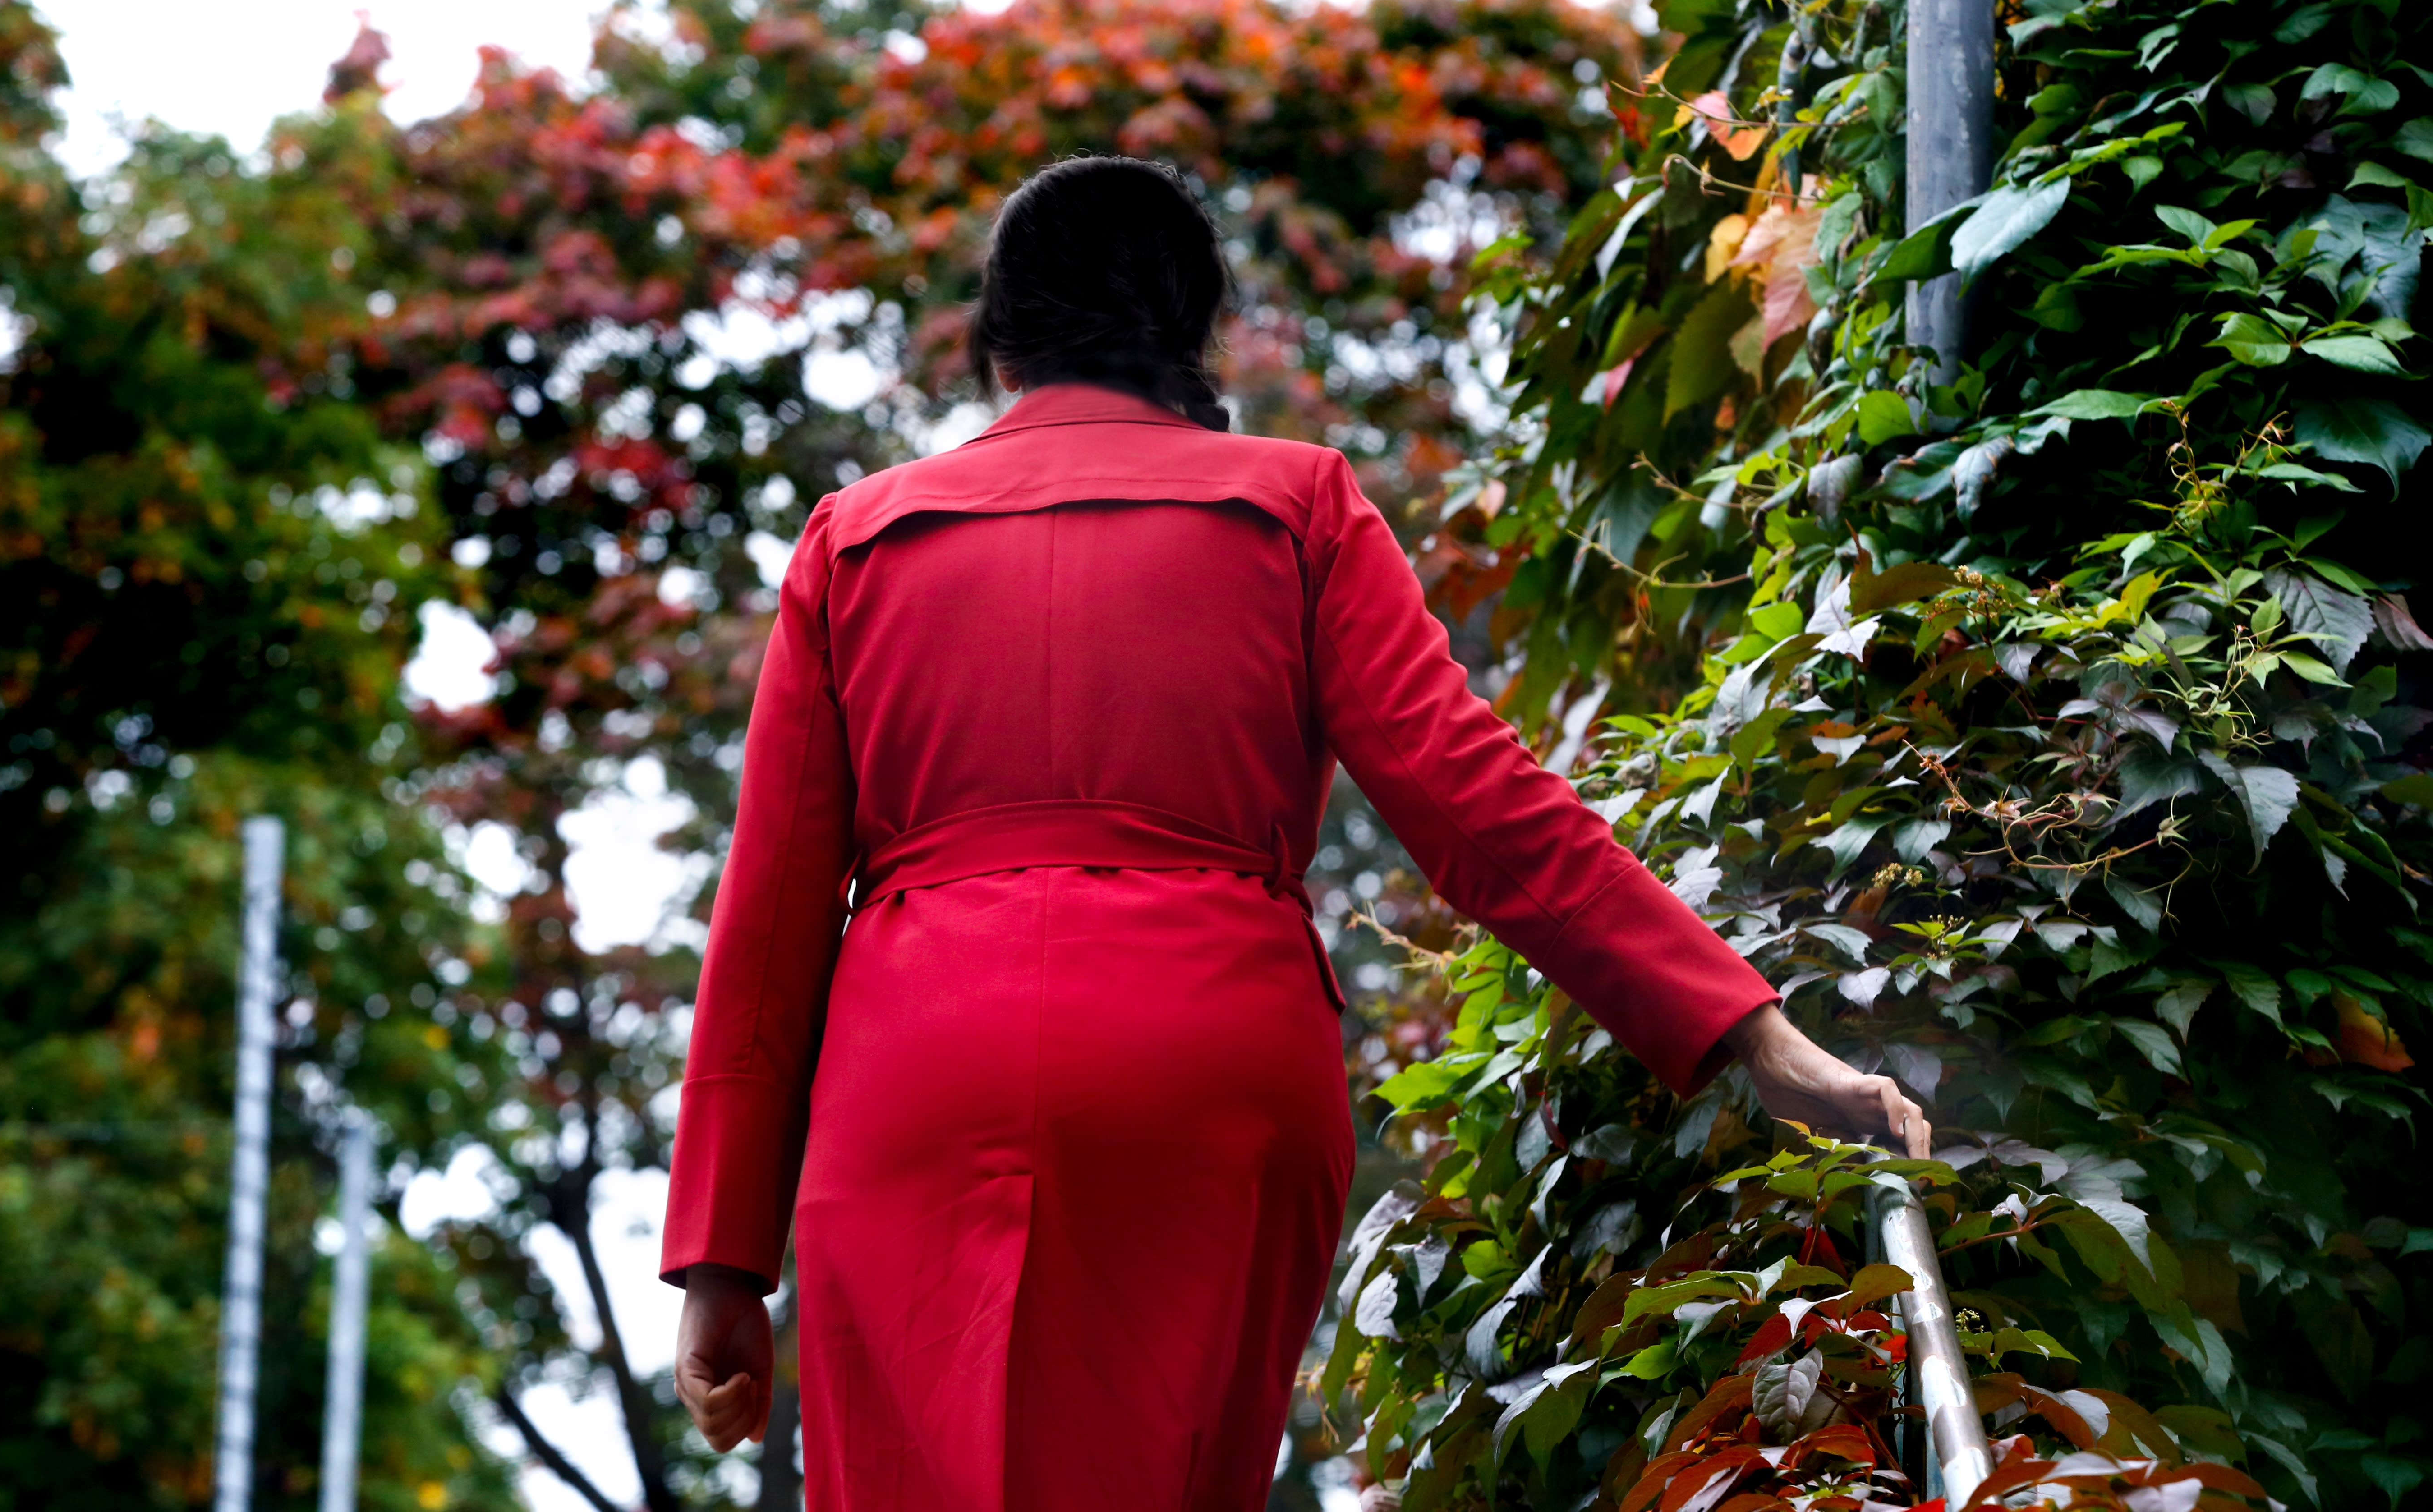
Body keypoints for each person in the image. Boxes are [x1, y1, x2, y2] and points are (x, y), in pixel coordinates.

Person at [660, 156, 1927, 1508]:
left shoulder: (855, 538)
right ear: (1191, 328)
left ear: (1001, 339)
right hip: (1210, 1055)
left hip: (917, 1068)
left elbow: (770, 921)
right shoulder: (1294, 502)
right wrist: (1751, 1032)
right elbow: (1475, 795)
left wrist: (723, 1262)